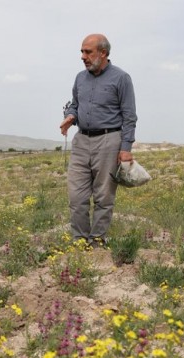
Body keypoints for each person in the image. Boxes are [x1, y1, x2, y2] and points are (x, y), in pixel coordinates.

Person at [59, 34, 137, 248]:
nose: (83, 56)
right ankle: (79, 240)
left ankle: (97, 240)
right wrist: (70, 116)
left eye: (88, 52)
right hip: (82, 140)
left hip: (109, 140)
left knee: (103, 195)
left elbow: (129, 116)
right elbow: (74, 104)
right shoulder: (79, 78)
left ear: (103, 53)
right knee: (76, 196)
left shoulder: (121, 78)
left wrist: (126, 149)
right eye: (82, 52)